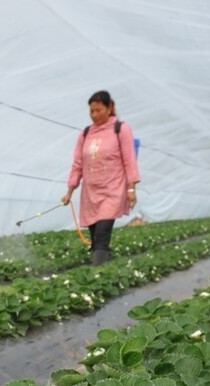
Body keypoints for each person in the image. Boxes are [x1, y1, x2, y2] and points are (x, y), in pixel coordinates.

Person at [61, 90, 140, 265]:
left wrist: (131, 189)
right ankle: (103, 260)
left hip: (112, 188)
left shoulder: (121, 129)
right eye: (92, 111)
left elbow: (129, 160)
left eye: (99, 110)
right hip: (91, 192)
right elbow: (78, 164)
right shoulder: (86, 133)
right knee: (96, 233)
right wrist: (70, 191)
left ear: (110, 107)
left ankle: (96, 273)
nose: (95, 115)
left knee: (103, 231)